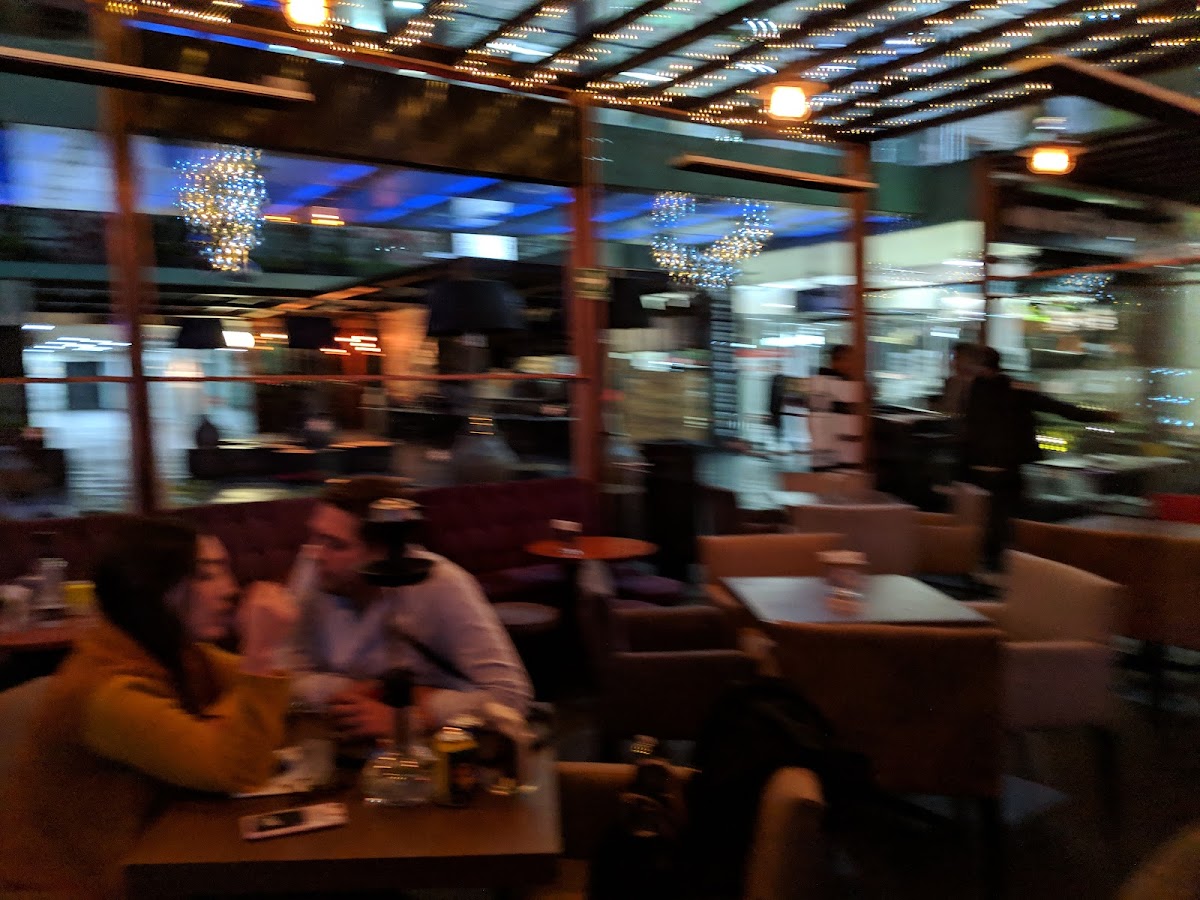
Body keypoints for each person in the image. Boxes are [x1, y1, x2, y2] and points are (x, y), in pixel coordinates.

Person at [0, 519, 295, 899]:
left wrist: (236, 701)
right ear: (154, 590)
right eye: (205, 576)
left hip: (151, 863)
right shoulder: (105, 690)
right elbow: (236, 768)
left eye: (225, 571)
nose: (231, 589)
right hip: (71, 888)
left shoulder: (175, 653)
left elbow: (271, 689)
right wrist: (261, 653)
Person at [291, 476, 532, 740]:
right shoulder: (315, 567)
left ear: (385, 552)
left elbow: (510, 697)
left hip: (442, 744)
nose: (317, 554)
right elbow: (283, 672)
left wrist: (413, 717)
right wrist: (353, 689)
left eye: (337, 545)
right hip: (340, 738)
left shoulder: (440, 584)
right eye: (316, 537)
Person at [962, 346, 1119, 569]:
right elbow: (1059, 408)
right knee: (1008, 515)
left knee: (992, 516)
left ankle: (992, 561)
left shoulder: (974, 390)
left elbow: (970, 428)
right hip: (1009, 464)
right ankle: (1006, 562)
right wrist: (1103, 416)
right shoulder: (1014, 388)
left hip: (983, 465)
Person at [806, 344, 866, 472]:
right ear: (836, 361)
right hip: (833, 459)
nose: (853, 365)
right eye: (849, 360)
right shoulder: (826, 385)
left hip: (839, 458)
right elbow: (819, 422)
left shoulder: (846, 384)